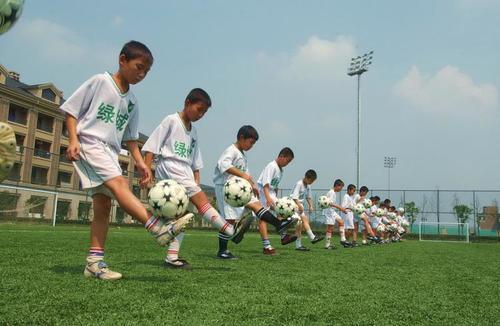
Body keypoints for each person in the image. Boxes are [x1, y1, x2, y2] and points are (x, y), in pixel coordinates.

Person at [62, 41, 190, 280]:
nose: (141, 74)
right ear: (122, 60)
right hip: (90, 144)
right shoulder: (101, 82)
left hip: (110, 151)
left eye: (146, 71)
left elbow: (131, 139)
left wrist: (141, 162)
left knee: (103, 207)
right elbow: (71, 110)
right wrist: (72, 140)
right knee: (120, 184)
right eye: (138, 67)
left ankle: (94, 262)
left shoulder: (132, 102)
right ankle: (156, 227)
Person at [142, 88, 252, 268]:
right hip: (170, 167)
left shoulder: (193, 132)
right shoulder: (171, 120)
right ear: (187, 103)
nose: (201, 114)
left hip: (184, 170)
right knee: (201, 201)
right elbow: (151, 146)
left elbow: (195, 161)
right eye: (199, 109)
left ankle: (172, 258)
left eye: (204, 112)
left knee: (181, 218)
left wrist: (197, 178)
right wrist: (147, 170)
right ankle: (230, 230)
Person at [213, 126, 296, 259]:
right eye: (251, 142)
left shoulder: (242, 155)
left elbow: (246, 173)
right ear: (241, 138)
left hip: (240, 187)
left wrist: (252, 184)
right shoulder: (231, 150)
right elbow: (223, 165)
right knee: (229, 221)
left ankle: (279, 224)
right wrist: (244, 176)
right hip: (226, 188)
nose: (252, 146)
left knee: (257, 205)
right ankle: (222, 250)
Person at [256, 147, 297, 255]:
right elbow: (266, 184)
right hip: (264, 193)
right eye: (287, 161)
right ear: (281, 156)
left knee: (282, 212)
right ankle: (266, 246)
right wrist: (268, 198)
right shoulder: (271, 166)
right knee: (262, 218)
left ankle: (284, 237)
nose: (287, 164)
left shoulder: (280, 170)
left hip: (271, 194)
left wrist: (276, 198)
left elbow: (274, 185)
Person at [290, 169, 324, 251]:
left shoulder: (308, 186)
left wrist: (311, 205)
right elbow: (294, 197)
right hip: (293, 205)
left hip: (299, 205)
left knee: (300, 224)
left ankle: (299, 245)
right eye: (311, 180)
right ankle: (312, 238)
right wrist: (298, 205)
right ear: (306, 177)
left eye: (313, 181)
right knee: (302, 222)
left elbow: (308, 197)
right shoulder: (299, 184)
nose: (311, 183)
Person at [323, 179, 352, 249]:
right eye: (341, 187)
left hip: (332, 211)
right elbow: (331, 203)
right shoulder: (331, 192)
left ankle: (343, 239)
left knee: (341, 222)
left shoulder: (333, 192)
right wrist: (341, 208)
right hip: (329, 211)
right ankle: (327, 245)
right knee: (330, 228)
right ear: (337, 186)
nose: (341, 189)